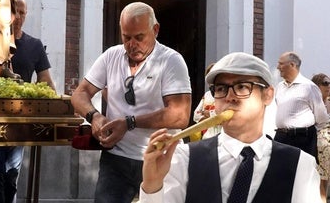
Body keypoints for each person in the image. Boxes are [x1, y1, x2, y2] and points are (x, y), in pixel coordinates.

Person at [139, 52, 320, 203]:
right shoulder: (183, 158)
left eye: (242, 87)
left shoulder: (300, 165)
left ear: (268, 95)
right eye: (221, 89)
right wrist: (152, 185)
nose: (229, 97)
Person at [71, 1, 192, 203]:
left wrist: (129, 122)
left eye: (139, 37)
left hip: (161, 158)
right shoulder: (112, 56)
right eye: (126, 37)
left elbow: (180, 115)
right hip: (116, 159)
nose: (131, 44)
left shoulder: (171, 60)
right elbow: (79, 94)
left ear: (155, 30)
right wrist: (95, 117)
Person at [0, 0, 56, 203]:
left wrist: (53, 104)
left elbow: (46, 81)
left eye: (22, 12)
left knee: (11, 174)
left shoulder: (34, 45)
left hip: (20, 122)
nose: (18, 16)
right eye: (14, 11)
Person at [274, 52, 329, 160]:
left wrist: (304, 132)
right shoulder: (280, 87)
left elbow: (322, 119)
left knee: (301, 173)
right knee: (279, 172)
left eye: (281, 64)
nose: (277, 67)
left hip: (302, 139)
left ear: (292, 65)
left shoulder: (309, 87)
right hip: (281, 137)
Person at [312, 73, 330, 202]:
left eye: (329, 83)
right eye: (325, 83)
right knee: (321, 178)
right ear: (316, 86)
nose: (328, 86)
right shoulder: (313, 102)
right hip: (318, 145)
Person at [192, 62, 221, 140]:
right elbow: (196, 115)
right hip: (206, 137)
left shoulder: (227, 94)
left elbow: (224, 117)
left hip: (221, 137)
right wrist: (212, 117)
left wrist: (209, 114)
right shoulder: (207, 95)